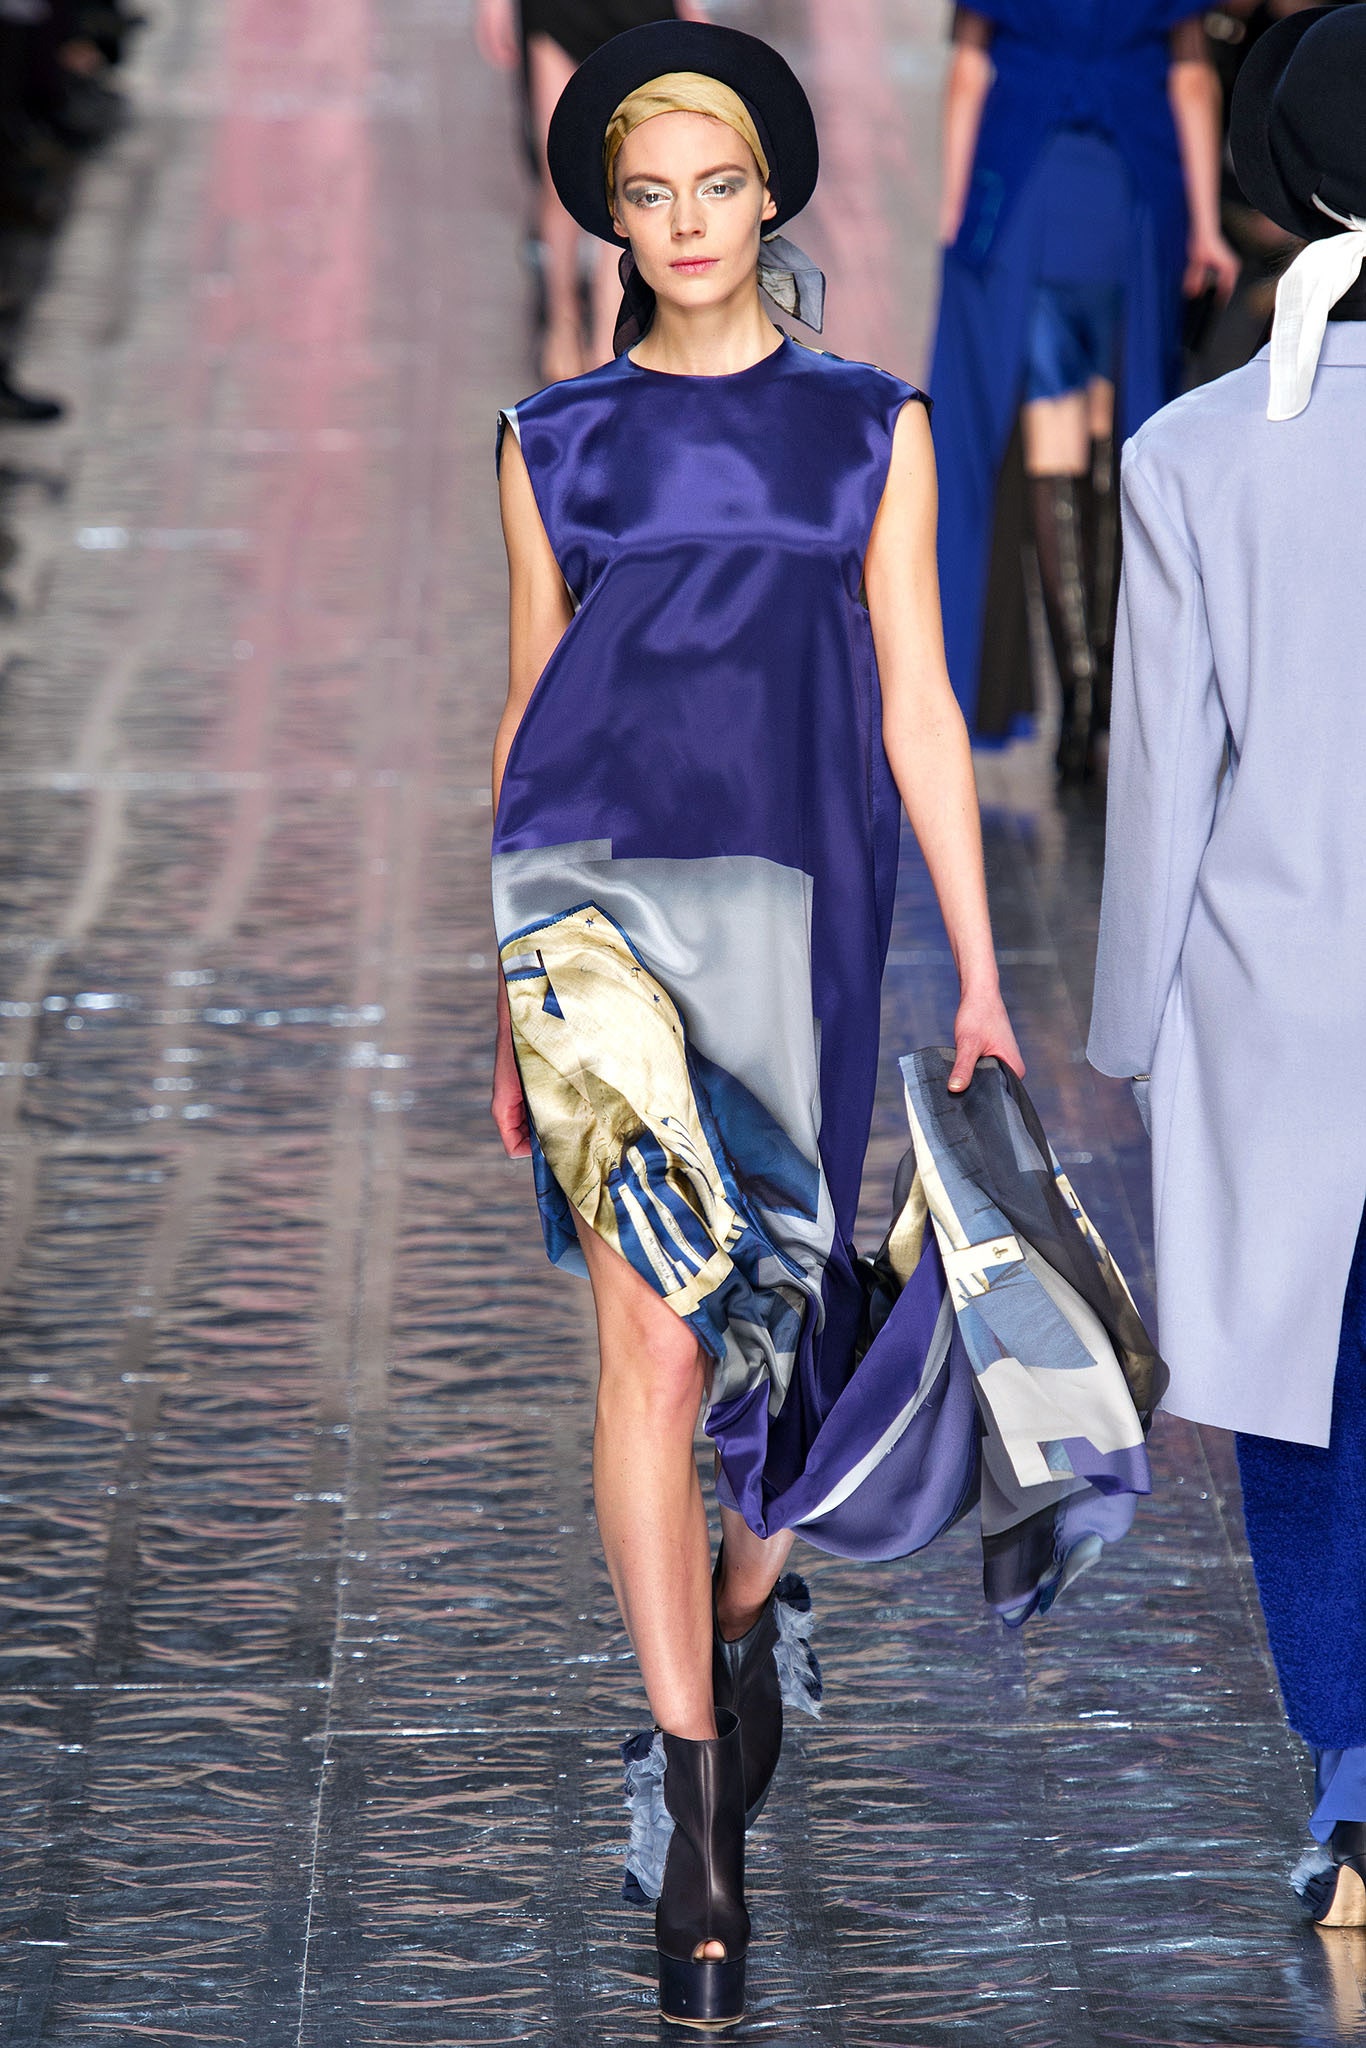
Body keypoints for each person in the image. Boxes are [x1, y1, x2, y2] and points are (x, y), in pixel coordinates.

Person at [491, 21, 1161, 2024]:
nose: (685, 221)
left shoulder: (873, 427)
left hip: (796, 917)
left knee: (762, 1340)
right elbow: (523, 714)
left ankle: (745, 1617)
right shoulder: (550, 439)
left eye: (714, 184)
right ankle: (695, 1817)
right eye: (646, 192)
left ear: (765, 196)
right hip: (589, 915)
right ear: (610, 219)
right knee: (646, 1333)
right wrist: (498, 999)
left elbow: (914, 712)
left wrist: (973, 962)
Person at [1089, 2, 1366, 1931]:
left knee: (1309, 1392)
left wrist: (1119, 1028)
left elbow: (1162, 765)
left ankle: (1356, 1780)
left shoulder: (1198, 451)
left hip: (1280, 990)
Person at [929, 2, 1239, 777]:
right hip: (1132, 185)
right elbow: (1191, 75)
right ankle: (1105, 686)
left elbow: (970, 70)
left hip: (1024, 181)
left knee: (1052, 426)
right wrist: (1205, 222)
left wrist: (956, 208)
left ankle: (1079, 688)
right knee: (1122, 423)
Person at [476, 0, 708, 382]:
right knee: (557, 166)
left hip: (640, 11)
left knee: (625, 170)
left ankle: (606, 340)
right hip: (558, 11)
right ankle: (562, 323)